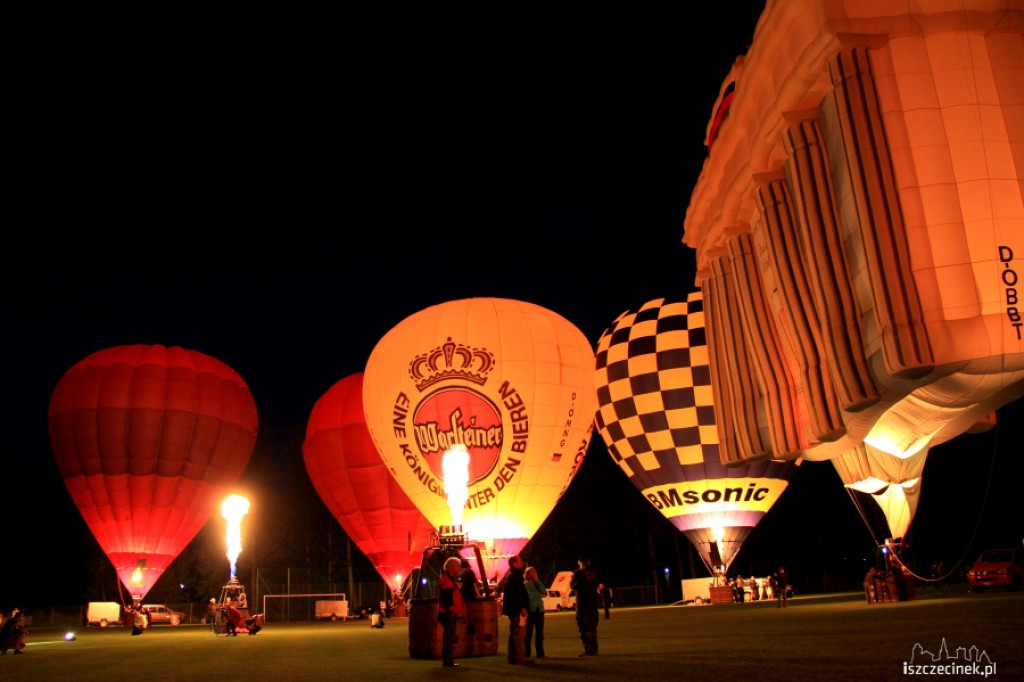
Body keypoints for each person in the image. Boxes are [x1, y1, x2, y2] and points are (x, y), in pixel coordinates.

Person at [501, 554, 532, 665]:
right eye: (519, 561)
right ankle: (520, 657)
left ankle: (512, 657)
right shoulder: (515, 576)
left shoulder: (510, 575)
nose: (522, 562)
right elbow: (517, 594)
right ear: (514, 563)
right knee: (519, 633)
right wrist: (522, 607)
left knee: (514, 632)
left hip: (512, 608)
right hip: (517, 609)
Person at [438, 556, 464, 668]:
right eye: (458, 566)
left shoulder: (448, 579)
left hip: (450, 612)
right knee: (449, 637)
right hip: (449, 613)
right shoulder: (446, 580)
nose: (459, 568)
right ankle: (448, 661)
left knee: (449, 637)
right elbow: (447, 597)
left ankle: (448, 660)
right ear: (452, 567)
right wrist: (451, 609)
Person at [572, 556, 601, 656]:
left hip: (584, 605)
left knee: (585, 628)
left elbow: (573, 586)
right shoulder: (594, 573)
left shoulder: (579, 573)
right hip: (591, 604)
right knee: (591, 628)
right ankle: (593, 649)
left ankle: (589, 649)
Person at [523, 566, 546, 659]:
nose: (534, 574)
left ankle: (540, 653)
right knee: (528, 633)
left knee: (540, 633)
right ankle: (527, 653)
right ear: (527, 574)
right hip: (531, 610)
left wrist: (538, 582)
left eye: (535, 572)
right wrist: (539, 594)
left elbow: (544, 592)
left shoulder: (538, 583)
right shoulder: (525, 584)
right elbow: (529, 595)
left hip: (539, 610)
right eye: (531, 572)